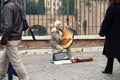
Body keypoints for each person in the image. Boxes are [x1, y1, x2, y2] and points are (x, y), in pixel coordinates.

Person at [0, 0, 29, 80]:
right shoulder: (18, 6)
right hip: (16, 36)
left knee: (16, 62)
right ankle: (1, 76)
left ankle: (25, 78)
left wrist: (4, 39)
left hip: (11, 38)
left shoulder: (7, 7)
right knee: (4, 60)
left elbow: (8, 25)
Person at [99, 0, 120, 74]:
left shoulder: (112, 8)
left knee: (115, 52)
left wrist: (102, 31)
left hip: (112, 34)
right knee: (110, 53)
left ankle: (108, 69)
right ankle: (108, 69)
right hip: (117, 34)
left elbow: (107, 21)